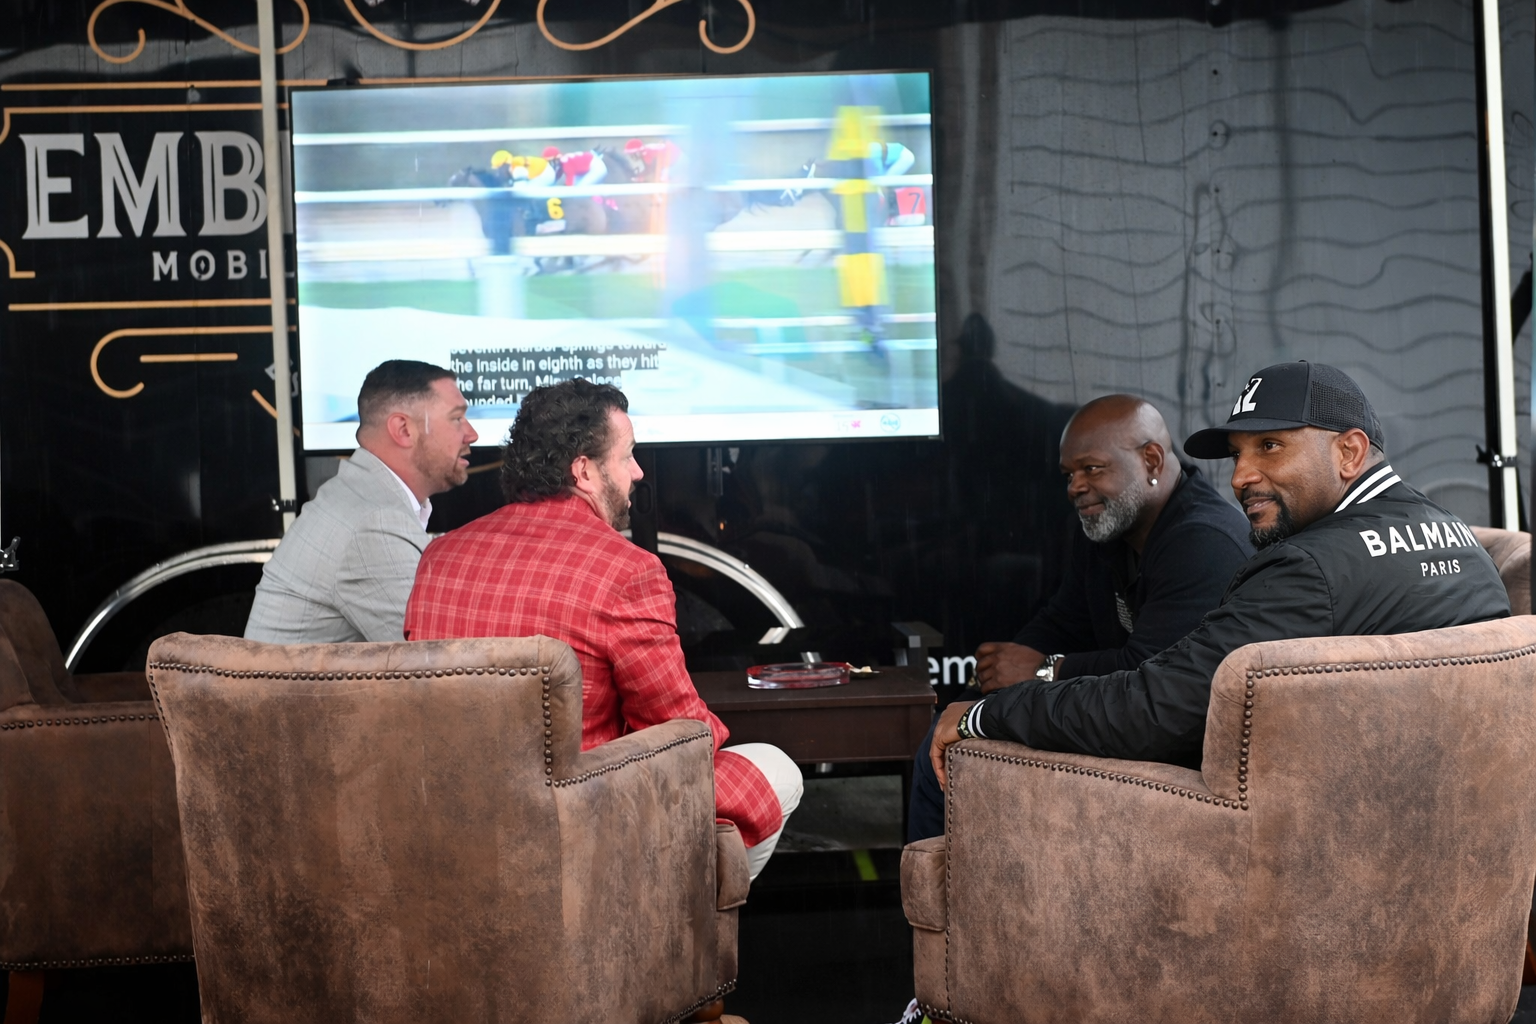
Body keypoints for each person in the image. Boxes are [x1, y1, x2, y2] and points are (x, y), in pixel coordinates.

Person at [928, 361, 1511, 787]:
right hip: (1460, 840)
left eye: (1271, 446)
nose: (1240, 476)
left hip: (1316, 853)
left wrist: (990, 713)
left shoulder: (1305, 570)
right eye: (1237, 454)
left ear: (1350, 454)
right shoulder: (1461, 541)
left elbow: (1154, 711)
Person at [404, 379, 802, 880]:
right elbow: (681, 734)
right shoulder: (628, 570)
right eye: (628, 456)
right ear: (584, 470)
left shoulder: (438, 557)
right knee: (776, 768)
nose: (638, 473)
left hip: (456, 824)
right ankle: (666, 932)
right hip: (581, 829)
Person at [906, 394, 1253, 841]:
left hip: (1179, 751)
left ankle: (941, 904)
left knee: (960, 744)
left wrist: (1042, 671)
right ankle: (945, 894)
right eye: (1069, 475)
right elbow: (1063, 619)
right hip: (1123, 725)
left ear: (1150, 460)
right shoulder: (1110, 528)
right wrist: (1003, 672)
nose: (1075, 487)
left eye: (1092, 468)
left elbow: (1155, 681)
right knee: (949, 738)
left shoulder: (1205, 541)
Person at [245, 360, 478, 643]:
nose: (472, 434)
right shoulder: (375, 522)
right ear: (403, 430)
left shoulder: (360, 495)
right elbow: (439, 661)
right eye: (456, 418)